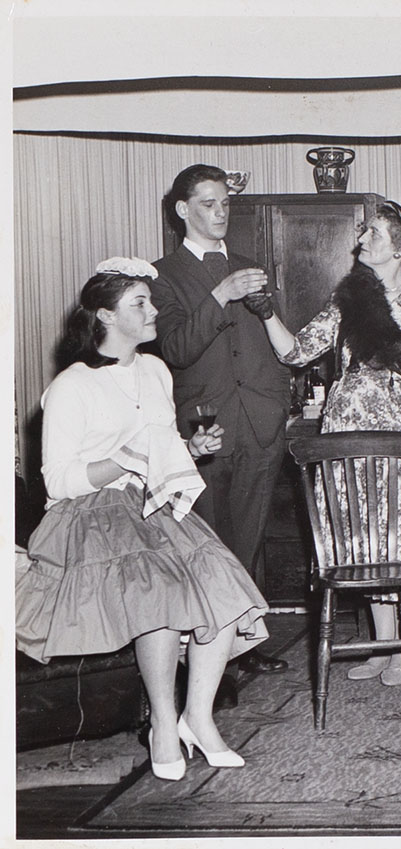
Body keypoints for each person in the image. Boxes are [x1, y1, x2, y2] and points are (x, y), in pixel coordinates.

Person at [16, 259, 270, 781]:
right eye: (140, 304)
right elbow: (59, 481)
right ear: (105, 316)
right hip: (92, 515)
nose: (154, 311)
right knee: (159, 598)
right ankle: (162, 722)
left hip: (156, 501)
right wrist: (126, 458)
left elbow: (162, 447)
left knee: (225, 588)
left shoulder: (155, 370)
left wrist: (191, 448)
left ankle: (198, 716)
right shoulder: (71, 386)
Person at [253, 200, 401, 687]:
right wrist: (265, 313)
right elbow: (297, 351)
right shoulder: (347, 300)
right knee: (364, 535)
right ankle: (386, 651)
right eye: (363, 233)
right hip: (346, 434)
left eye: (374, 235)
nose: (362, 241)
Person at [150, 164, 290, 675]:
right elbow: (176, 349)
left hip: (259, 422)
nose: (219, 212)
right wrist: (220, 295)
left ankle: (247, 643)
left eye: (225, 203)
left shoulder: (253, 265)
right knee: (208, 541)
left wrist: (279, 404)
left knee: (250, 538)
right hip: (203, 429)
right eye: (208, 204)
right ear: (183, 210)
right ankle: (212, 653)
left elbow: (275, 342)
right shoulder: (160, 276)